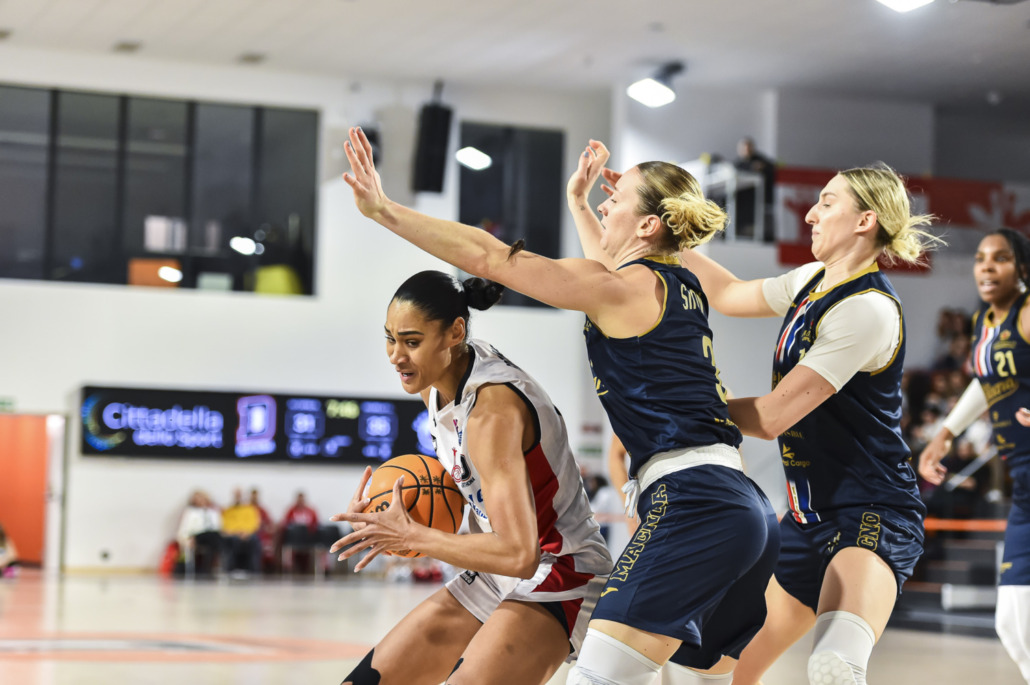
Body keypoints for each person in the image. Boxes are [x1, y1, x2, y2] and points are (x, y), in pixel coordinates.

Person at [339, 127, 778, 685]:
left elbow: (490, 256)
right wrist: (577, 202)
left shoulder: (615, 296)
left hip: (682, 506)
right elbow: (608, 268)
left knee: (601, 677)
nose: (605, 203)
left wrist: (383, 211)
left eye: (616, 199)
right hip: (737, 499)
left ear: (648, 225)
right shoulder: (675, 284)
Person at [677, 162, 937, 685]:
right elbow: (727, 294)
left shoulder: (867, 309)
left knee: (834, 665)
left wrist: (682, 407)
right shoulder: (811, 280)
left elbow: (772, 417)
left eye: (826, 202)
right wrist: (665, 232)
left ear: (865, 220)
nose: (811, 215)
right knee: (707, 667)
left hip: (870, 512)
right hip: (804, 518)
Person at [330, 269, 612, 685]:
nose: (396, 356)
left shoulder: (492, 412)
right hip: (495, 573)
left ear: (455, 332)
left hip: (562, 569)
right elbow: (472, 496)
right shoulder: (438, 384)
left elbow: (520, 554)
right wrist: (385, 516)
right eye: (390, 339)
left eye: (411, 342)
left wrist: (412, 535)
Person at [919, 228, 1030, 683]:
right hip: (1024, 483)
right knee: (1014, 623)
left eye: (1000, 258)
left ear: (1022, 268)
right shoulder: (985, 319)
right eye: (981, 257)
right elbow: (987, 382)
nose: (986, 266)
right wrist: (945, 433)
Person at [732, 137, 776, 241]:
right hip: (743, 199)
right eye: (744, 148)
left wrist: (762, 168)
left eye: (749, 148)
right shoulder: (737, 163)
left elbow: (771, 169)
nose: (747, 150)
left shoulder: (760, 160)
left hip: (759, 198)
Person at [176, 490, 222, 576]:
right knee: (215, 538)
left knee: (216, 540)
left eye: (201, 498)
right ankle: (207, 570)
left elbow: (218, 527)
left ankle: (207, 569)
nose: (200, 500)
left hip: (213, 537)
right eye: (197, 498)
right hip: (196, 536)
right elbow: (184, 528)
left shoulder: (213, 512)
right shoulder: (190, 512)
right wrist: (185, 539)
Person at [221, 487, 262, 575]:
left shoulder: (250, 509)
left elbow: (254, 524)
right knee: (233, 541)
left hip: (248, 534)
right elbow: (225, 525)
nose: (238, 497)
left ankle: (254, 571)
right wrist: (236, 532)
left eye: (240, 495)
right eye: (236, 495)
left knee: (254, 540)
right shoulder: (228, 510)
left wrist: (246, 532)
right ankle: (232, 570)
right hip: (233, 534)